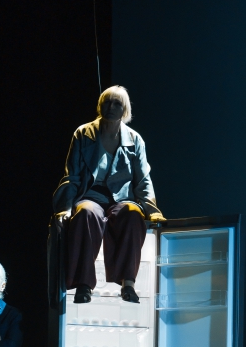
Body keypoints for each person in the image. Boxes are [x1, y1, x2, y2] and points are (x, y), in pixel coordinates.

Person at [52, 85, 165, 304]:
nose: (111, 107)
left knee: (132, 213)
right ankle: (84, 284)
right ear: (100, 105)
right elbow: (72, 176)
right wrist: (65, 208)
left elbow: (143, 179)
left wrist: (152, 211)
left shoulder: (135, 140)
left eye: (117, 103)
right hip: (90, 196)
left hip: (121, 198)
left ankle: (128, 283)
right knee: (86, 213)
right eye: (107, 102)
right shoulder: (83, 134)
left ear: (125, 109)